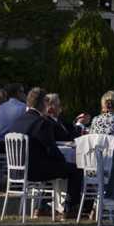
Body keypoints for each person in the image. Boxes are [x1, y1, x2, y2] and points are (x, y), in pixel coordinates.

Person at [15, 88, 84, 219]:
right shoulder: (42, 122)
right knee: (75, 169)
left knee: (59, 167)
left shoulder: (19, 120)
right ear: (43, 104)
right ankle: (69, 208)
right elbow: (51, 150)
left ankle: (42, 206)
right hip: (35, 171)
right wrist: (63, 160)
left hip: (17, 170)